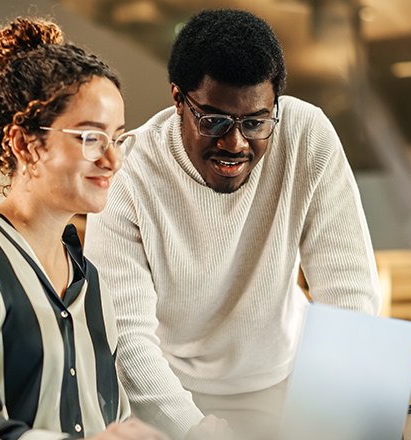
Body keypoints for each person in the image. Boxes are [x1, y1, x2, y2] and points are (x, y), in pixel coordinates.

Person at [84, 9, 382, 440]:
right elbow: (127, 336)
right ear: (178, 99)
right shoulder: (129, 173)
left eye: (255, 123)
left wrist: (331, 416)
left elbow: (349, 294)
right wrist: (194, 431)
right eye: (214, 121)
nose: (235, 143)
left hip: (283, 382)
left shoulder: (306, 135)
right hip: (169, 394)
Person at [0, 16, 169, 440]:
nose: (113, 160)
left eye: (117, 138)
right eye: (91, 138)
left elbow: (110, 422)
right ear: (25, 144)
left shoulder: (91, 282)